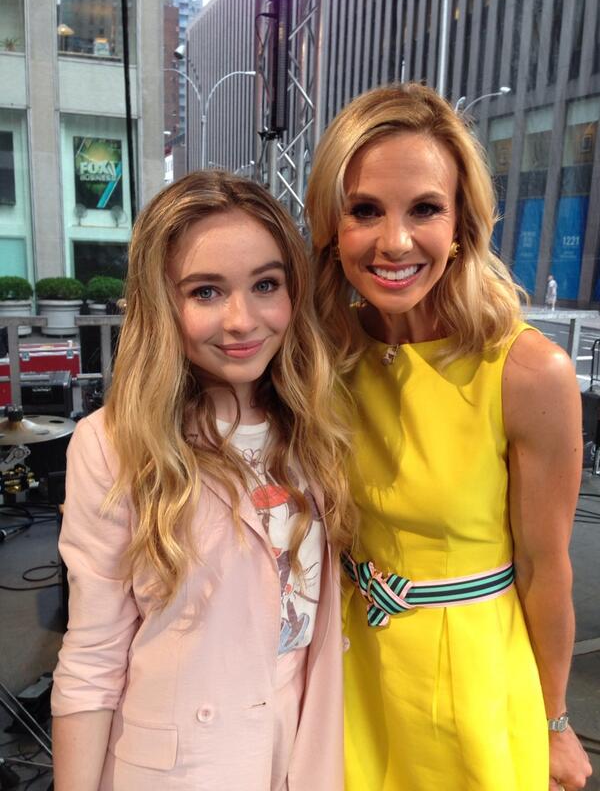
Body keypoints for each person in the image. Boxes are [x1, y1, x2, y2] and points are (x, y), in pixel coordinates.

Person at [305, 83, 593, 791]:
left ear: (462, 222)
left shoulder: (528, 372)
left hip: (471, 685)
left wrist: (555, 723)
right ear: (331, 228)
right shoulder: (320, 357)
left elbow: (545, 569)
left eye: (425, 209)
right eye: (364, 210)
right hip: (345, 670)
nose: (394, 241)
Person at [51, 171, 355, 791]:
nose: (242, 320)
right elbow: (92, 658)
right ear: (163, 303)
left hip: (298, 754)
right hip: (179, 769)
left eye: (265, 285)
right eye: (206, 292)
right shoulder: (114, 442)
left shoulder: (316, 426)